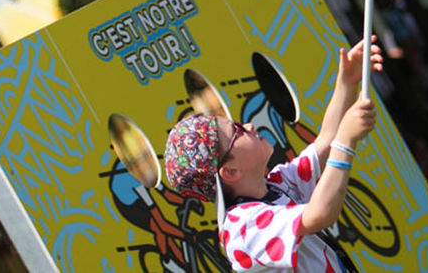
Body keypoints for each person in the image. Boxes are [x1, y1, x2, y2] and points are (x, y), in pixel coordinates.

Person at [162, 38, 383, 272]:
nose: (249, 126)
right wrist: (346, 141)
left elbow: (326, 143)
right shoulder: (242, 229)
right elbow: (320, 214)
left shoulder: (276, 184)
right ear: (230, 171)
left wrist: (346, 82)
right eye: (237, 130)